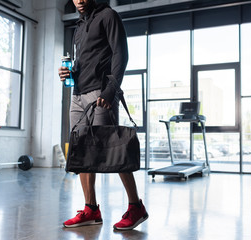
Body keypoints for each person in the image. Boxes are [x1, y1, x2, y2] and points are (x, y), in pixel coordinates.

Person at [58, 0, 148, 231]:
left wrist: (110, 91)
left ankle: (135, 206)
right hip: (77, 94)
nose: (78, 0)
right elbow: (84, 62)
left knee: (113, 150)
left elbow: (121, 55)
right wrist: (69, 73)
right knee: (81, 152)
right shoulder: (79, 26)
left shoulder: (109, 16)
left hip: (101, 93)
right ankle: (91, 209)